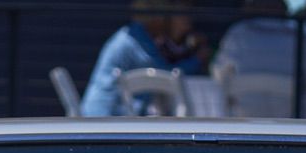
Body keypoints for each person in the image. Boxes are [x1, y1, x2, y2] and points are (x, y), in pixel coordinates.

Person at [79, 0, 209, 117]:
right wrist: (197, 60)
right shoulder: (136, 41)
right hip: (104, 116)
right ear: (156, 17)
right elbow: (165, 75)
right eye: (165, 16)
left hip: (113, 116)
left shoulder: (137, 35)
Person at [212, 0, 306, 116]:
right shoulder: (300, 35)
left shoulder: (237, 32)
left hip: (243, 114)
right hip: (291, 114)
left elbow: (219, 74)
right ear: (283, 8)